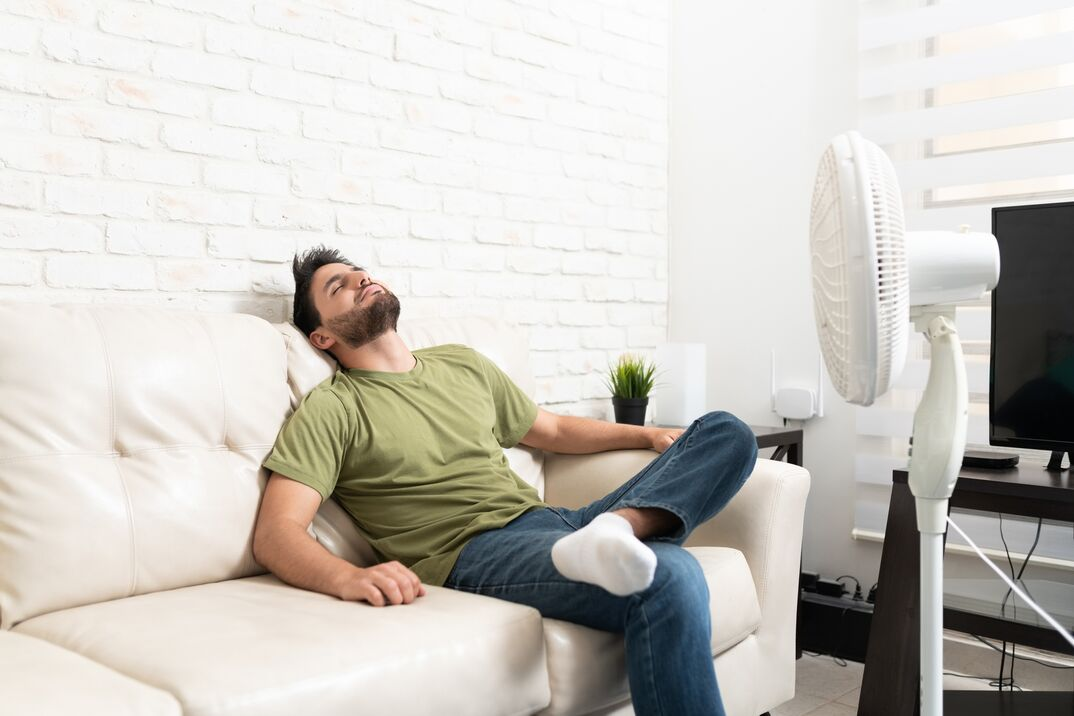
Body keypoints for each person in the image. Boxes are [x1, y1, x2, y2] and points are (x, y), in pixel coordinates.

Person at [254, 245, 758, 716]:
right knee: (669, 575)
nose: (361, 278)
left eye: (360, 271)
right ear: (323, 338)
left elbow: (553, 429)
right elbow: (277, 533)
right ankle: (614, 535)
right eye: (339, 286)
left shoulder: (463, 363)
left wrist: (648, 435)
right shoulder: (334, 407)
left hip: (559, 523)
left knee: (726, 432)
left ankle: (617, 528)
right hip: (474, 552)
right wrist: (349, 577)